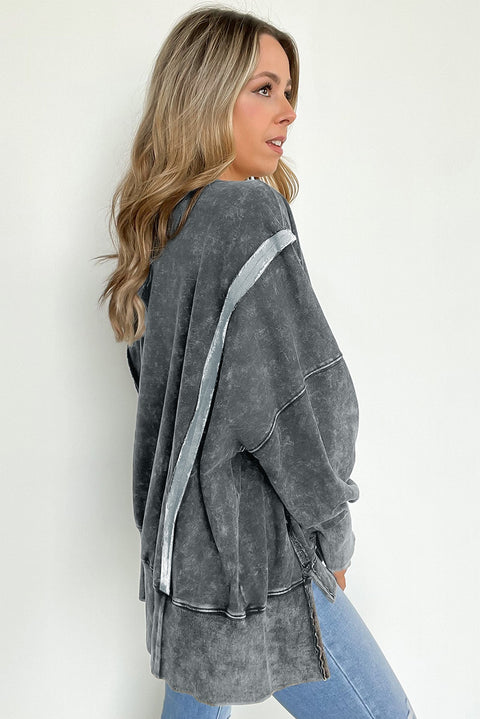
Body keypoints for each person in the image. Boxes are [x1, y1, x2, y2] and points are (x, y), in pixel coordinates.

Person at [97, 5, 418, 718]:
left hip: (186, 561)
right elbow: (301, 402)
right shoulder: (246, 214)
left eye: (288, 91)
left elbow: (167, 403)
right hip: (260, 555)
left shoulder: (164, 225)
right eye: (265, 89)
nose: (288, 112)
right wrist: (331, 531)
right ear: (209, 95)